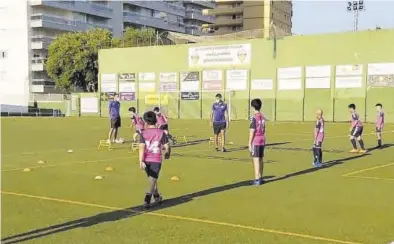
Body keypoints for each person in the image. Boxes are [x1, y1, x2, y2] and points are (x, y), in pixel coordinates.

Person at [139, 111, 171, 208]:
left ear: (145, 121)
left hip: (146, 159)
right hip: (156, 159)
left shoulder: (143, 133)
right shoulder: (161, 133)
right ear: (155, 120)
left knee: (152, 178)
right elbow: (167, 145)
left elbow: (141, 147)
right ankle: (147, 199)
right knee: (153, 179)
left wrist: (140, 161)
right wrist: (168, 153)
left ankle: (157, 196)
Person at [248, 99, 266, 185]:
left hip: (256, 140)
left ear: (253, 107)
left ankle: (257, 178)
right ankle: (260, 177)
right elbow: (264, 128)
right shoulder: (262, 116)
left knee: (256, 160)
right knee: (261, 159)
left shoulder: (254, 117)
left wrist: (249, 143)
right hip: (262, 139)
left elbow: (252, 130)